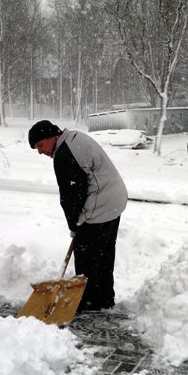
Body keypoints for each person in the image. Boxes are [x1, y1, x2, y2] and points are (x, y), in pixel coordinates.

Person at [29, 119, 128, 312]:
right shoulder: (75, 138)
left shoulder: (64, 153)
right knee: (104, 255)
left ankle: (90, 303)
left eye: (40, 145)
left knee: (86, 258)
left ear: (52, 135)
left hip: (101, 202)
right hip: (114, 200)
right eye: (36, 149)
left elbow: (71, 196)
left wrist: (75, 225)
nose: (40, 151)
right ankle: (105, 298)